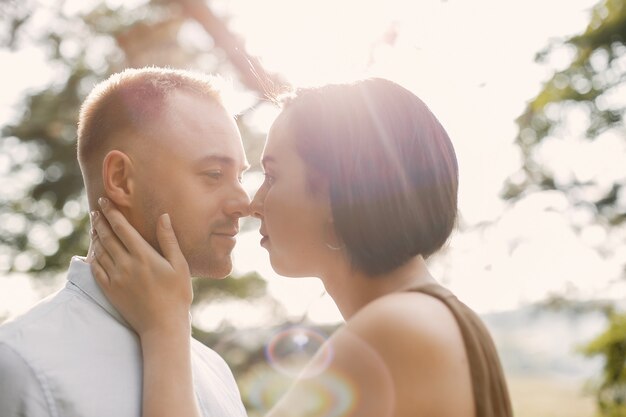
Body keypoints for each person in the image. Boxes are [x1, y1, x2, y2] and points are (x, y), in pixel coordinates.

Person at [90, 78, 513, 417]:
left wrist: (164, 327)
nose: (252, 204)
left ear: (339, 195)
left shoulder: (397, 330)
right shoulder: (437, 316)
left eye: (272, 176)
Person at [0, 67, 250, 417]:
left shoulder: (215, 370)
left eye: (240, 176)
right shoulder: (19, 364)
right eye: (214, 174)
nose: (245, 203)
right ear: (120, 179)